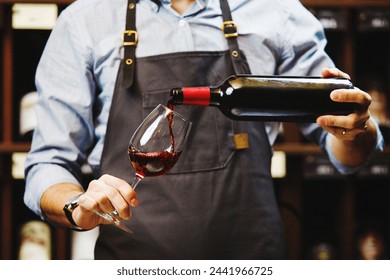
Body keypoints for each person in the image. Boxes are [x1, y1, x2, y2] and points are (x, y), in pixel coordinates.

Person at [24, 0, 384, 259]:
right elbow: (48, 164)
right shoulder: (85, 19)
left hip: (252, 262)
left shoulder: (277, 13)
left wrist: (355, 129)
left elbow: (348, 153)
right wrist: (77, 206)